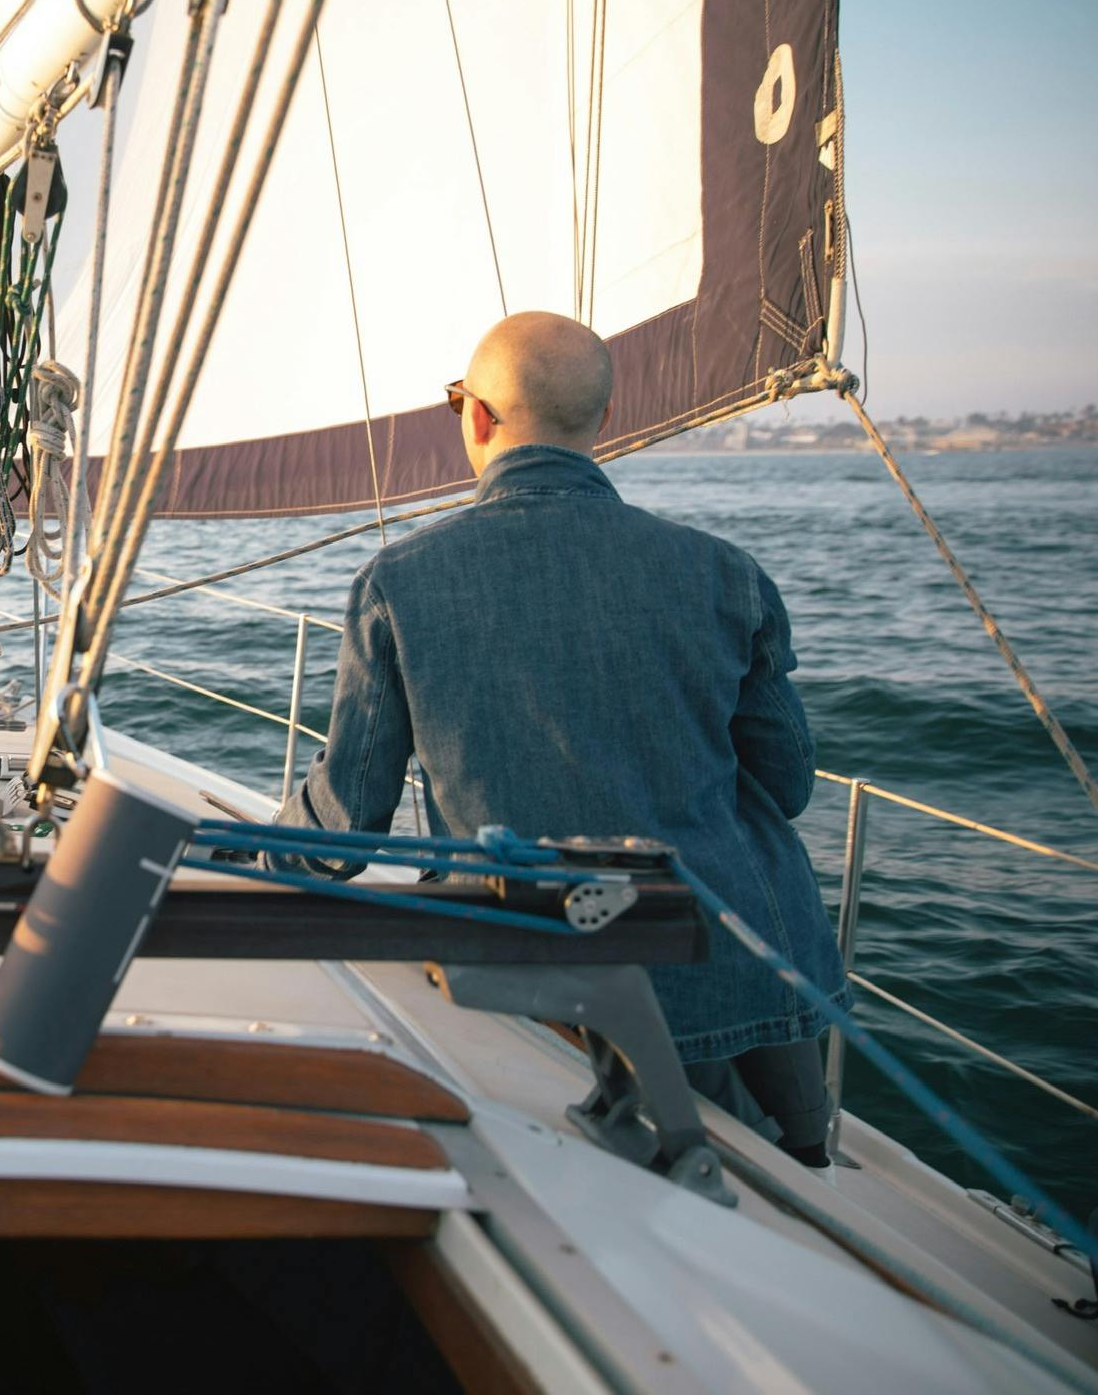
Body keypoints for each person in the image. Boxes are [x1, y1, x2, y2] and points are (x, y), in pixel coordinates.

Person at [270, 310, 847, 1166]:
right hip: (752, 959)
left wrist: (262, 854)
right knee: (805, 1193)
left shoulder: (397, 584)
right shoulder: (725, 570)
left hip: (545, 982)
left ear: (475, 417)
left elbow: (347, 822)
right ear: (600, 423)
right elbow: (788, 786)